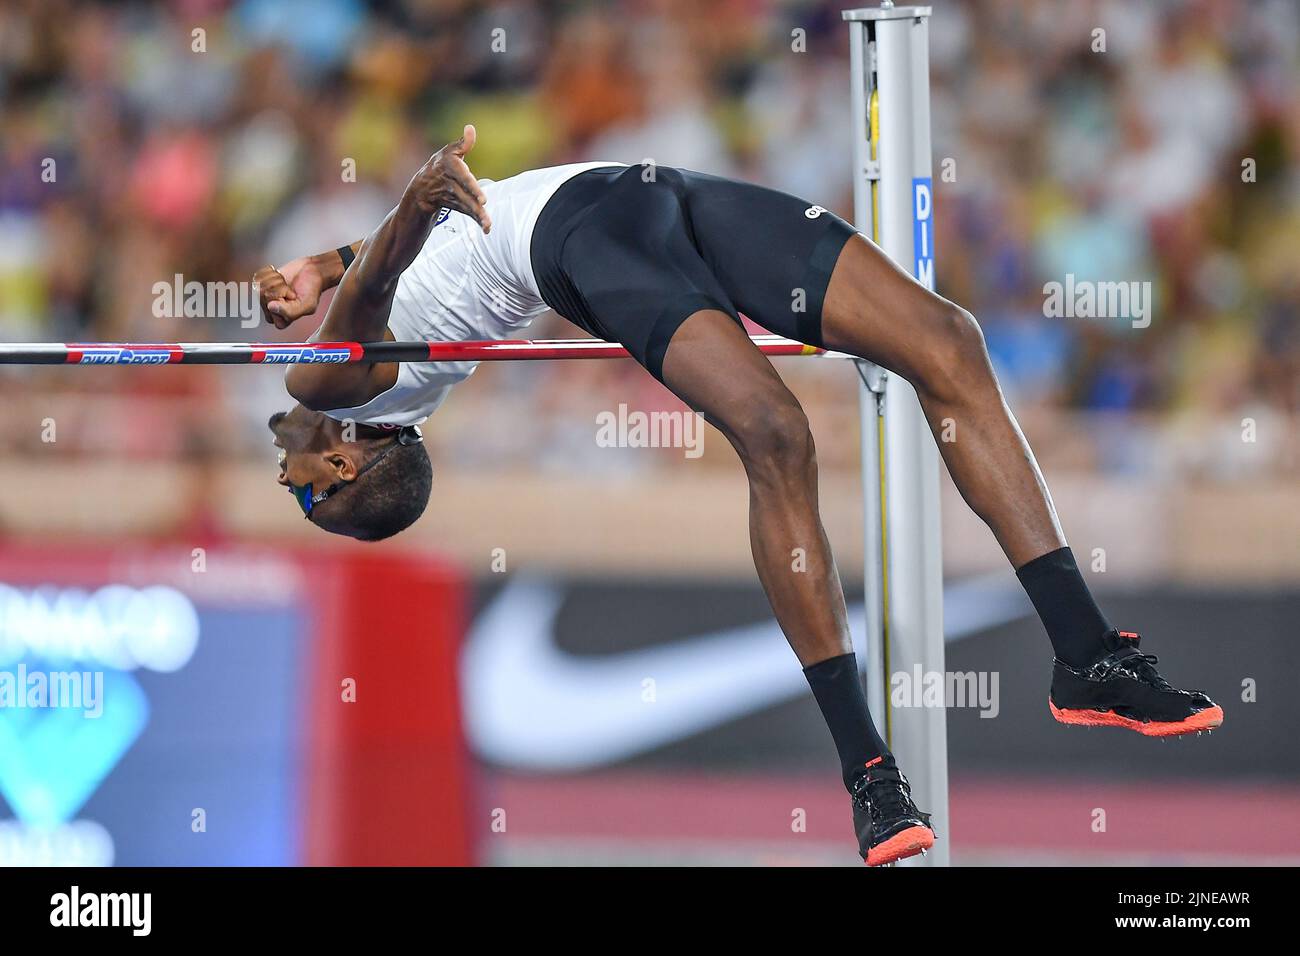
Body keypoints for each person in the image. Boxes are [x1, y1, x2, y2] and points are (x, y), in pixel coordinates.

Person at [260, 126, 1223, 866]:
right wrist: (396, 220)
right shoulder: (325, 388)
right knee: (774, 432)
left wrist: (321, 261)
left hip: (648, 195)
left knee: (950, 342)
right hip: (585, 244)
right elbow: (389, 274)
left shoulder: (361, 387)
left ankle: (1087, 655)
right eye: (299, 491)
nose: (282, 467)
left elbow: (394, 265)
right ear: (345, 467)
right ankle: (871, 774)